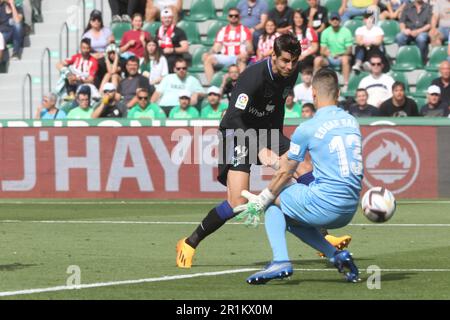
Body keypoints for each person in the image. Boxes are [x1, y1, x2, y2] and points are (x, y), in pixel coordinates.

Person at [175, 34, 352, 269]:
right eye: (285, 61)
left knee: (303, 167)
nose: (290, 67)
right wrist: (259, 148)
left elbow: (277, 107)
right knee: (238, 202)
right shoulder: (252, 77)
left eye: (294, 61)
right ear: (273, 56)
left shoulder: (292, 71)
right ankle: (189, 243)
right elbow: (233, 117)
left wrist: (278, 142)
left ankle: (324, 235)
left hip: (266, 132)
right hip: (237, 132)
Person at [235, 68, 362, 285]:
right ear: (338, 93)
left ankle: (280, 261)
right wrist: (277, 163)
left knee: (275, 201)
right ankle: (337, 256)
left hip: (327, 205)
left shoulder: (307, 128)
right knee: (291, 216)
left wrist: (261, 200)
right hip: (351, 207)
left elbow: (286, 172)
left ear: (313, 94)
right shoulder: (352, 122)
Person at [203, 8, 252, 83]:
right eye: (231, 15)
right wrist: (208, 54)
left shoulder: (245, 30)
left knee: (242, 60)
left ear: (239, 17)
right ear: (228, 17)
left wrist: (246, 53)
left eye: (236, 15)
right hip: (225, 57)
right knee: (207, 59)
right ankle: (212, 86)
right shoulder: (223, 30)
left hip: (238, 57)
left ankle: (241, 86)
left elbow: (250, 49)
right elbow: (216, 47)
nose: (233, 17)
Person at [314, 13, 353, 91]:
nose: (335, 21)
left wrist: (339, 54)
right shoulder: (325, 32)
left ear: (340, 20)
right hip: (329, 58)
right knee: (317, 60)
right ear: (329, 21)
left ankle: (346, 84)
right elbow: (322, 50)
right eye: (333, 19)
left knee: (345, 59)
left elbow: (349, 50)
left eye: (337, 19)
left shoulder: (346, 31)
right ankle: (315, 83)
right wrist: (327, 54)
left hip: (342, 57)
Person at [155, 7, 189, 72]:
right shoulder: (158, 31)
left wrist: (172, 50)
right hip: (160, 58)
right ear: (161, 19)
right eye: (165, 18)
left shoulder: (179, 31)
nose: (167, 20)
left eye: (169, 18)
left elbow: (185, 48)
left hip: (174, 59)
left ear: (172, 18)